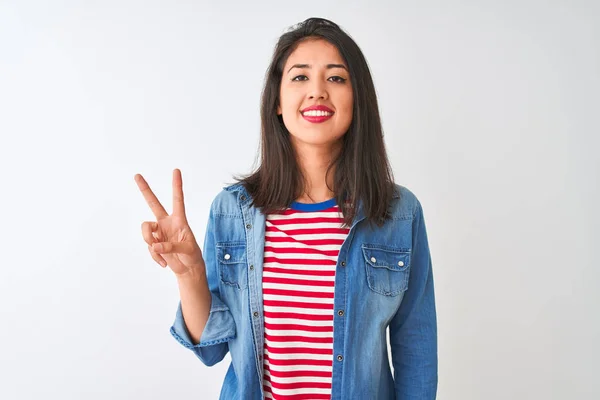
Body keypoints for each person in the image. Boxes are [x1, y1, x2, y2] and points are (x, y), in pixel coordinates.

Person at [135, 17, 437, 400]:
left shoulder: (398, 213)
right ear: (277, 102)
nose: (317, 92)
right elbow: (210, 349)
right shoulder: (232, 212)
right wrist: (191, 274)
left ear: (357, 99)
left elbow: (417, 350)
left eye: (336, 78)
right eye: (299, 77)